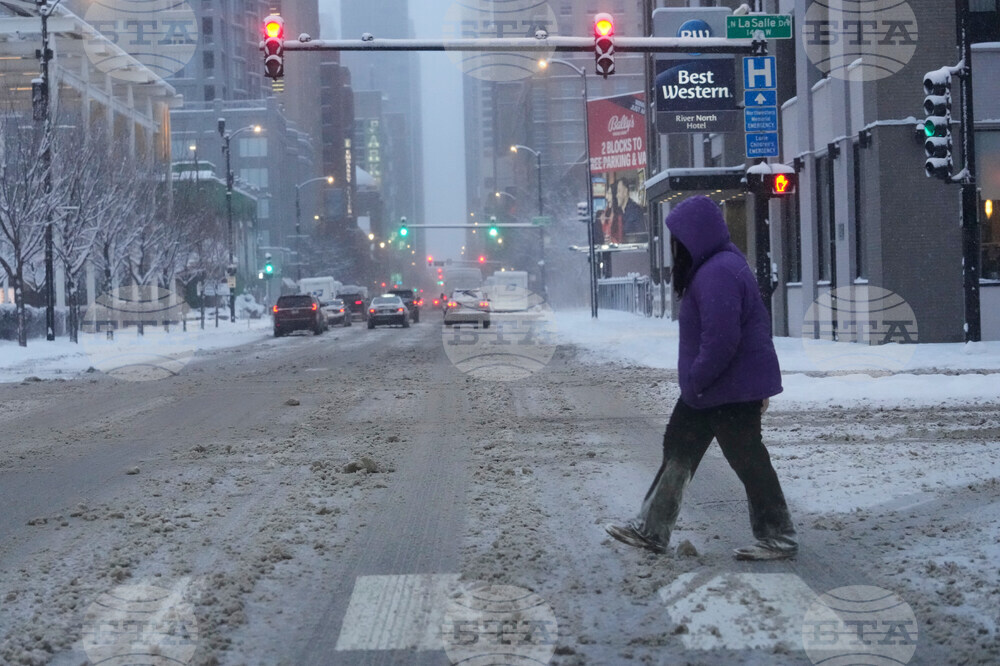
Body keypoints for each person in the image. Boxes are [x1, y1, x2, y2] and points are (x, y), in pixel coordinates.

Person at [605, 195, 797, 561]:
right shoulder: (718, 266)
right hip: (719, 386)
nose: (675, 246)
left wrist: (696, 380)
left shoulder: (718, 272)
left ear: (694, 236)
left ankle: (779, 535)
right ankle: (652, 528)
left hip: (726, 387)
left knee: (747, 458)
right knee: (681, 448)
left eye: (679, 237)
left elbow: (722, 339)